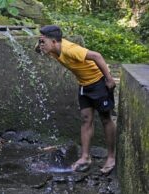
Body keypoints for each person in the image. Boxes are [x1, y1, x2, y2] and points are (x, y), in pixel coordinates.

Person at [35, 25, 116, 174]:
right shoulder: (53, 48)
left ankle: (111, 157)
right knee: (86, 119)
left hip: (98, 82)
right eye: (41, 41)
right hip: (84, 85)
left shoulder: (70, 50)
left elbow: (97, 56)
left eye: (43, 42)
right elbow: (37, 51)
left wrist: (109, 79)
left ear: (54, 42)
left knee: (105, 118)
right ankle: (85, 157)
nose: (41, 46)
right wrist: (40, 42)